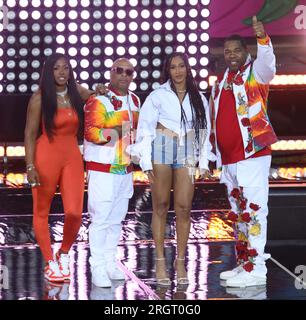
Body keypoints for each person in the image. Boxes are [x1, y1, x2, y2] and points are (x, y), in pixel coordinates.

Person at [129, 51, 212, 286]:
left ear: (188, 69)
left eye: (181, 66)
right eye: (173, 67)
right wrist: (145, 163)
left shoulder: (199, 97)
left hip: (187, 149)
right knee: (161, 205)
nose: (178, 71)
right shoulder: (158, 95)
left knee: (184, 207)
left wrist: (203, 162)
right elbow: (144, 129)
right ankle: (160, 260)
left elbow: (203, 131)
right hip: (162, 145)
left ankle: (180, 261)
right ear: (168, 70)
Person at [210, 17, 277, 287]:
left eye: (237, 50)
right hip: (230, 160)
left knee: (255, 210)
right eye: (227, 51)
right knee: (239, 214)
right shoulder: (222, 81)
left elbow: (268, 66)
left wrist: (263, 39)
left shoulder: (255, 74)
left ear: (246, 52)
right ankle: (245, 263)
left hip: (253, 155)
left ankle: (257, 267)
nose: (232, 55)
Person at [24, 53, 98, 282]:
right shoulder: (40, 98)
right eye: (57, 68)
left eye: (66, 68)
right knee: (41, 211)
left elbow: (96, 94)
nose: (62, 72)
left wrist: (101, 89)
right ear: (49, 71)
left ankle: (63, 252)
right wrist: (30, 166)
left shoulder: (77, 91)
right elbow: (29, 133)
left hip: (72, 157)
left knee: (75, 212)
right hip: (45, 156)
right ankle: (49, 261)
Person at [83, 58, 140, 288]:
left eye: (129, 72)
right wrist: (116, 132)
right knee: (100, 219)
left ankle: (108, 261)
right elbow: (91, 133)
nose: (124, 75)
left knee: (116, 220)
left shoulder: (135, 100)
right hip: (102, 170)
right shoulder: (98, 99)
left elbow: (137, 132)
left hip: (125, 170)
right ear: (111, 72)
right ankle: (96, 265)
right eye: (119, 70)